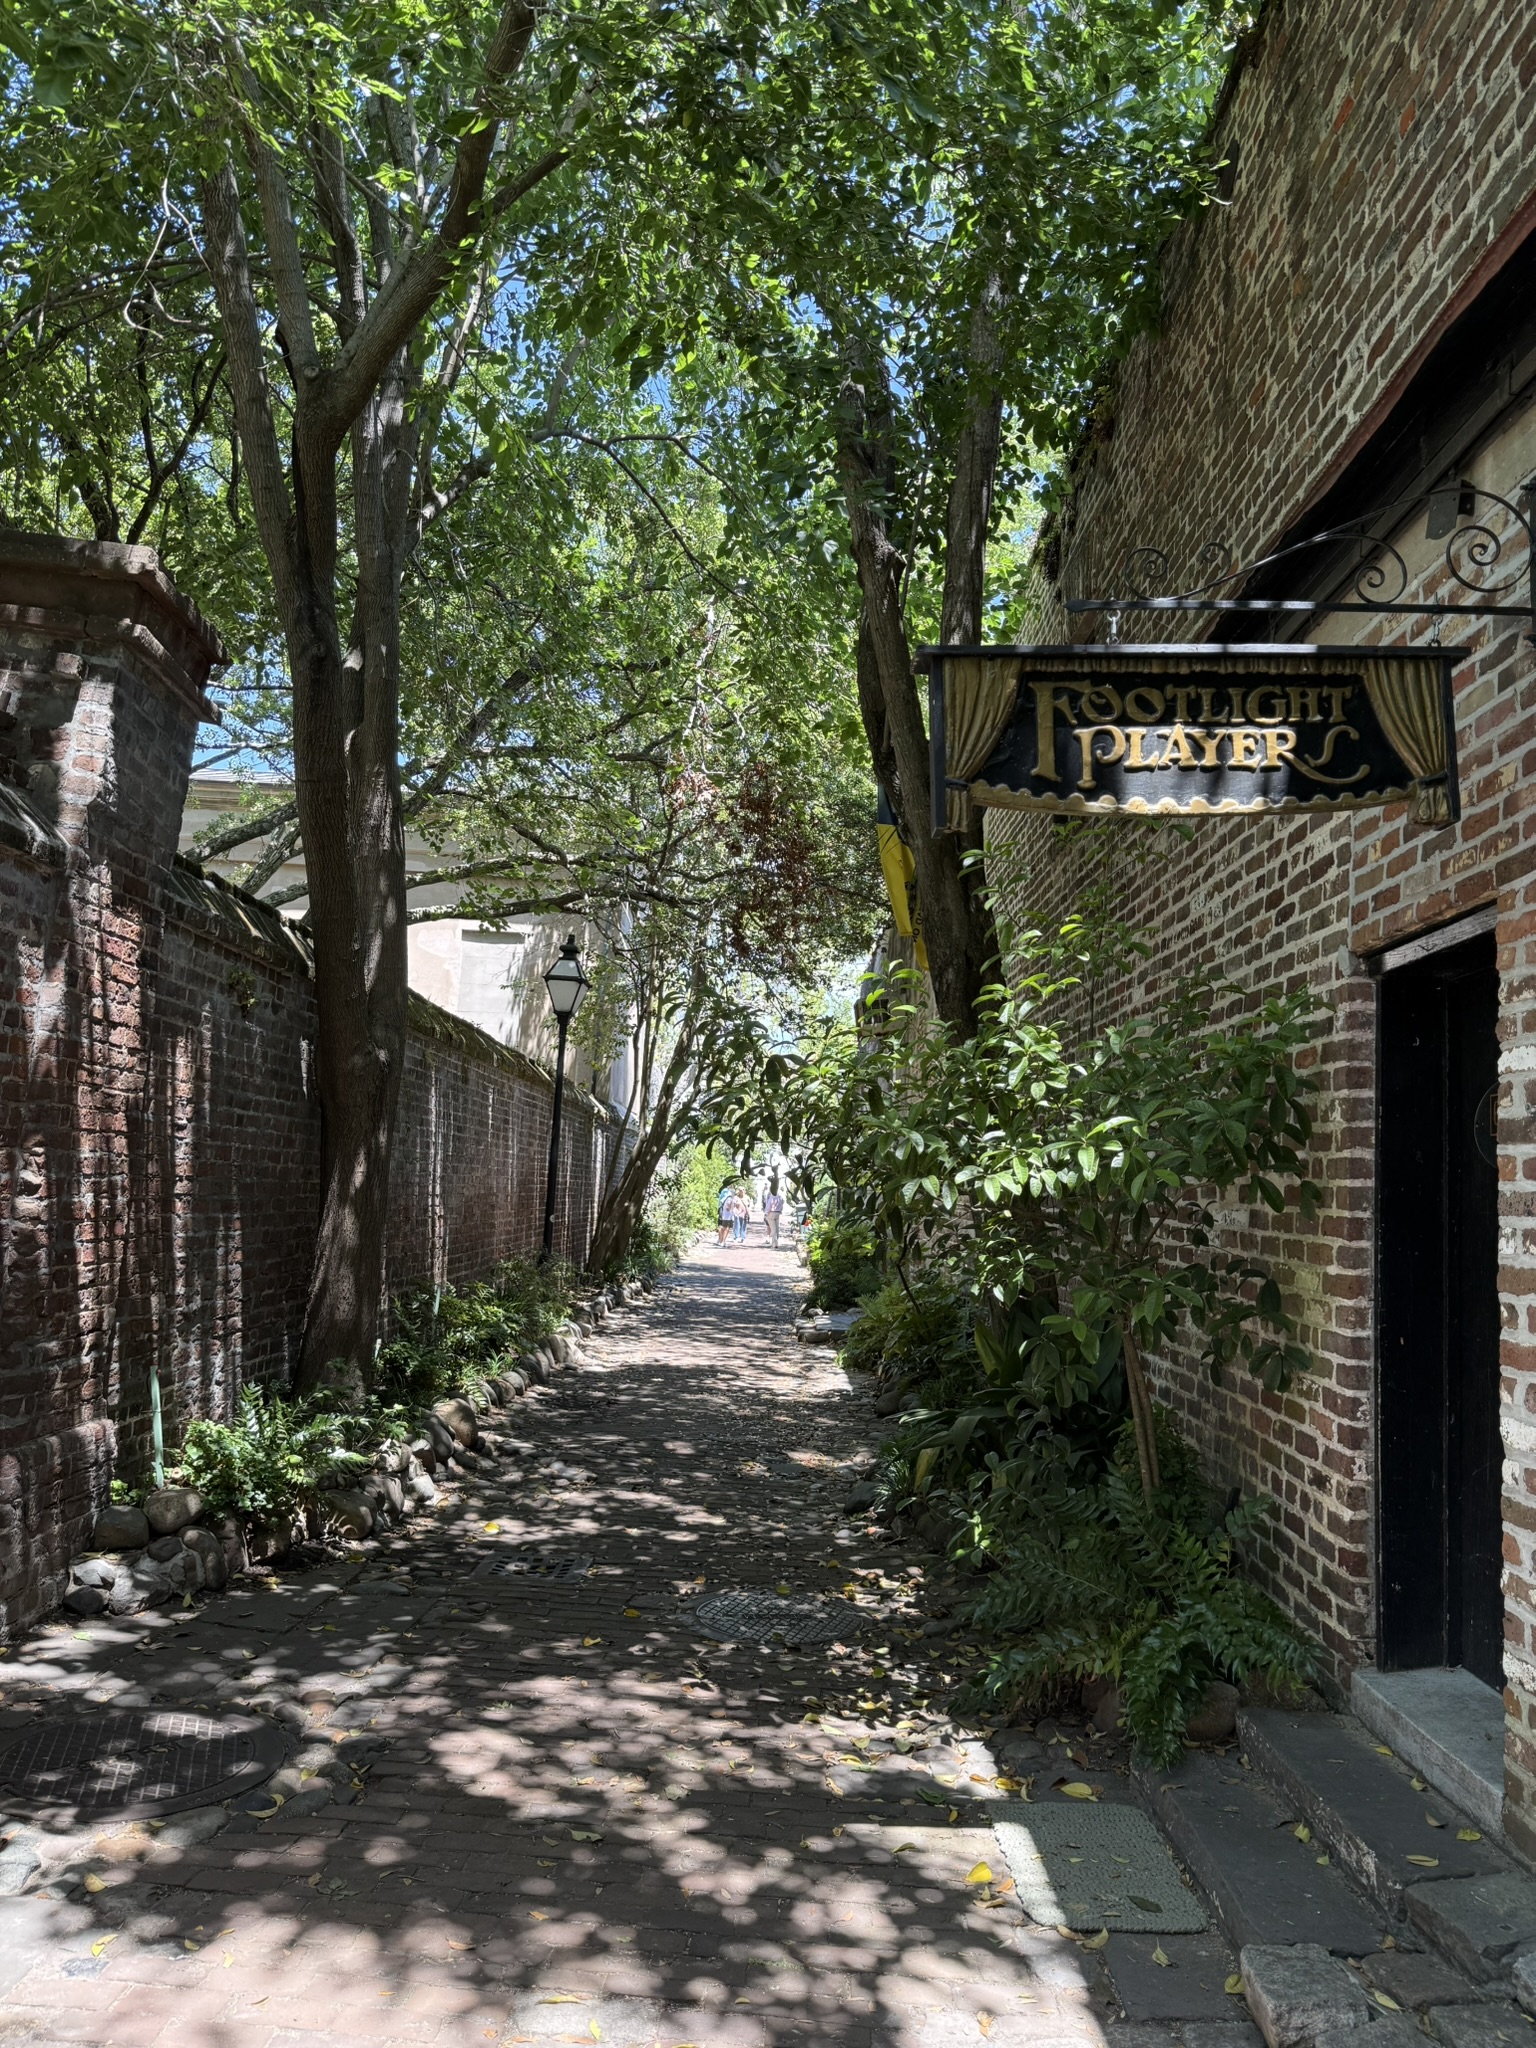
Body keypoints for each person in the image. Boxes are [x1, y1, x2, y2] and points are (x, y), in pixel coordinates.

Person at [763, 1182, 785, 1248]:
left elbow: (768, 1206)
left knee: (773, 1229)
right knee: (777, 1228)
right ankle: (774, 1243)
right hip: (777, 1213)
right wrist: (780, 1210)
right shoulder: (780, 1197)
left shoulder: (771, 1197)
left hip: (771, 1213)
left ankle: (775, 1242)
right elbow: (782, 1203)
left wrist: (766, 1213)